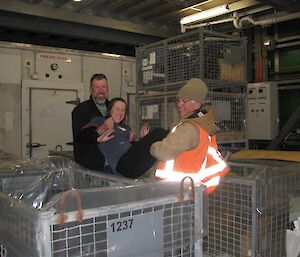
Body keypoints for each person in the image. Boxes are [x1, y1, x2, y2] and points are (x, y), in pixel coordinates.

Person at [150, 78, 229, 193]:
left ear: (197, 104)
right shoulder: (204, 124)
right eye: (179, 100)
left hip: (175, 190)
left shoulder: (189, 128)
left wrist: (153, 146)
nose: (179, 105)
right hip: (190, 188)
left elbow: (164, 152)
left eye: (184, 101)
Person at [86, 97, 168, 178]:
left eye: (123, 110)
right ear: (110, 110)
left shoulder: (126, 128)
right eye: (117, 109)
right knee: (159, 132)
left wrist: (143, 139)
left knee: (158, 142)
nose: (120, 113)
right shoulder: (100, 121)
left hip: (133, 162)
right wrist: (100, 133)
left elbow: (131, 148)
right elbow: (83, 135)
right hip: (122, 164)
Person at [72, 73, 113, 171]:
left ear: (107, 89)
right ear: (91, 89)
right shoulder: (81, 110)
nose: (101, 90)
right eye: (97, 87)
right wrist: (100, 130)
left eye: (104, 87)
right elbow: (79, 137)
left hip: (112, 164)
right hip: (90, 167)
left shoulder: (114, 108)